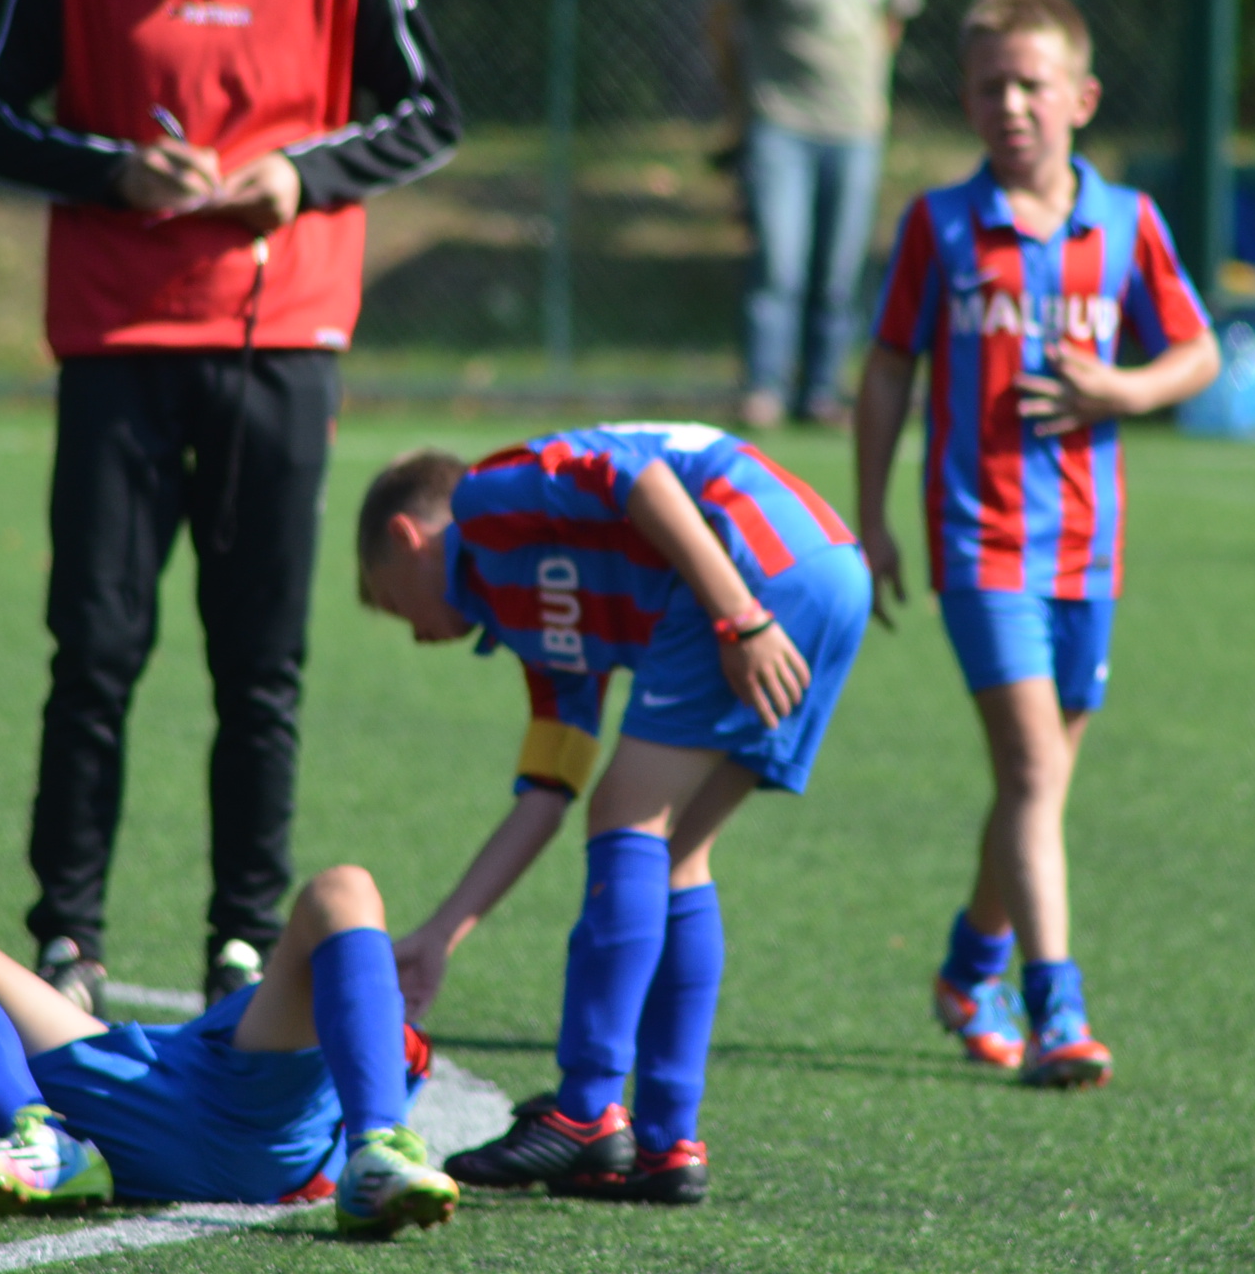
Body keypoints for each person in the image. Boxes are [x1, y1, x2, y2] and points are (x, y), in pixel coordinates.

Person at [0, 0, 462, 1015]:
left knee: (260, 663)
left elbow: (431, 113)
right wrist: (109, 169)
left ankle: (242, 938)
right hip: (118, 344)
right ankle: (68, 937)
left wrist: (301, 177)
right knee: (95, 650)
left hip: (282, 347)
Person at [852, 0, 1219, 1088]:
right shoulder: (940, 225)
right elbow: (888, 368)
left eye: (1029, 84)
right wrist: (870, 519)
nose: (1009, 105)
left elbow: (1198, 351)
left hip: (1087, 548)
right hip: (979, 542)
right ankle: (1057, 1009)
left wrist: (1125, 388)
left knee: (1041, 779)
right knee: (1028, 767)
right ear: (965, 100)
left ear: (1081, 98)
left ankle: (971, 966)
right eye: (988, 87)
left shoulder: (1128, 224)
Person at [356, 423, 870, 1202]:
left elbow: (641, 479)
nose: (419, 636)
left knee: (625, 818)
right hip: (824, 572)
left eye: (396, 604)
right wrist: (441, 934)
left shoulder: (486, 500)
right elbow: (543, 798)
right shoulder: (534, 633)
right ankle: (668, 1143)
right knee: (676, 855)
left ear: (407, 538)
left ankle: (588, 1109)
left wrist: (740, 616)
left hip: (758, 569)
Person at [0, 864, 460, 1237]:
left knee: (343, 885)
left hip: (236, 1106)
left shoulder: (375, 1044)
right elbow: (369, 1010)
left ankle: (376, 1147)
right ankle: (42, 1143)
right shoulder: (371, 1038)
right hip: (144, 1092)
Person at [718, 0, 925, 431]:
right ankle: (764, 386)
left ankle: (823, 389)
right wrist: (741, 101)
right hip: (780, 119)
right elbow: (727, 19)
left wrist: (873, 95)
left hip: (855, 126)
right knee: (779, 261)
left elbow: (892, 22)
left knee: (839, 269)